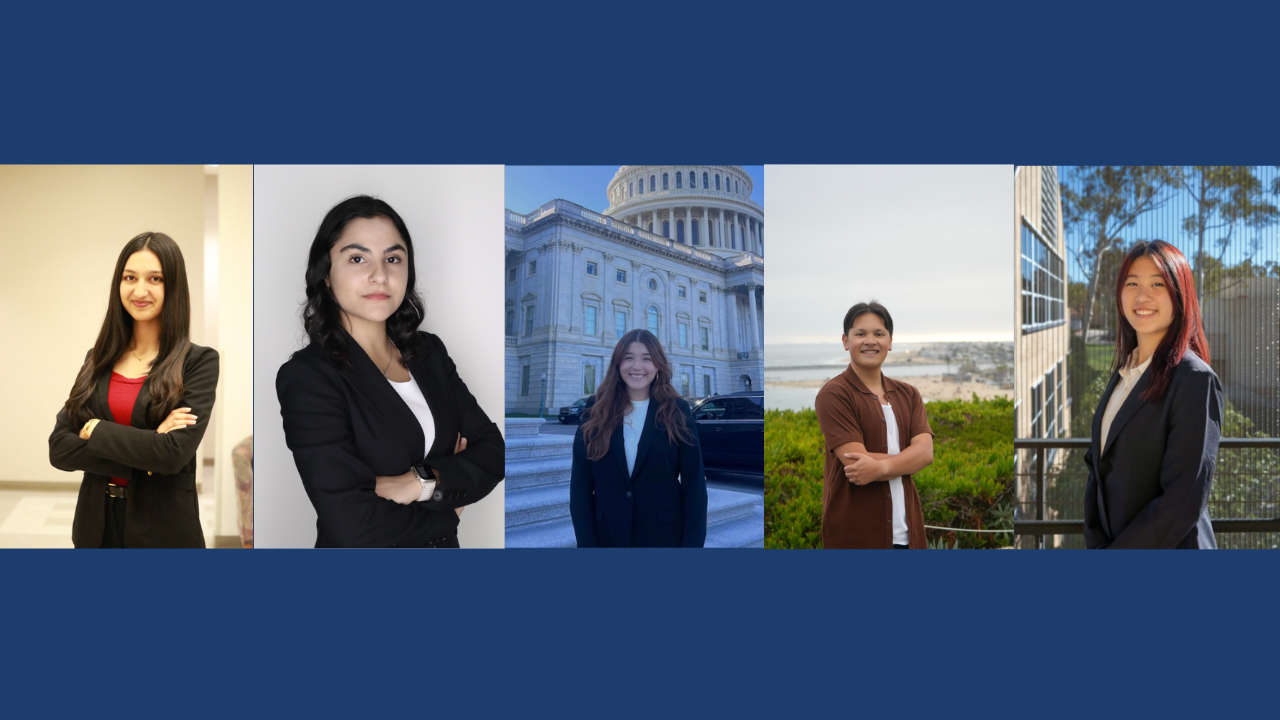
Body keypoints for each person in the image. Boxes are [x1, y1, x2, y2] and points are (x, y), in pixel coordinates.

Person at [276, 196, 503, 548]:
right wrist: (447, 508)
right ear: (324, 275)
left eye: (393, 259)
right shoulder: (308, 377)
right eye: (357, 258)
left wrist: (418, 482)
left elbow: (493, 452)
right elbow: (351, 522)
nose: (379, 275)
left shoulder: (429, 353)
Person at [49, 232, 218, 548]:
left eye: (155, 278)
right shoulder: (97, 359)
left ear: (173, 287)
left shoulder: (199, 362)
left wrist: (96, 430)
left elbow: (172, 456)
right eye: (130, 277)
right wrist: (150, 445)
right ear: (119, 285)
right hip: (96, 525)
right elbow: (59, 448)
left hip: (163, 528)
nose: (140, 290)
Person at [1084, 241, 1222, 549]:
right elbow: (1099, 469)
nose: (1142, 295)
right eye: (1132, 283)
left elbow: (1182, 501)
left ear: (1180, 295)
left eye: (1157, 283)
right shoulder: (1125, 373)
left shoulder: (1194, 379)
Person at [569, 329, 707, 547]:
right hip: (607, 536)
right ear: (617, 365)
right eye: (628, 358)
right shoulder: (594, 410)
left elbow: (695, 487)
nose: (637, 367)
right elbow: (580, 488)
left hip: (664, 538)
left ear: (658, 365)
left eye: (647, 359)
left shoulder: (677, 410)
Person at [814, 302, 934, 549]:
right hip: (854, 536)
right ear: (846, 341)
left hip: (909, 536)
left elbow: (925, 454)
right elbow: (857, 465)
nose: (870, 341)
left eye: (879, 334)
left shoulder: (908, 394)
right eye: (860, 334)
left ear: (890, 341)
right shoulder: (834, 394)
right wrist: (907, 460)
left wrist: (881, 467)